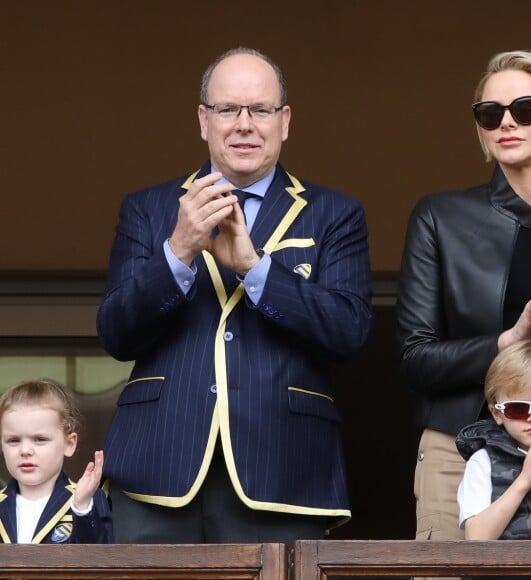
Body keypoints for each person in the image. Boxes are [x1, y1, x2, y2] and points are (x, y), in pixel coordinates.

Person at [97, 46, 373, 544]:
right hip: (159, 470)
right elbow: (116, 332)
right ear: (204, 120)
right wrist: (178, 251)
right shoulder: (149, 208)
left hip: (283, 469)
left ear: (284, 121)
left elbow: (349, 331)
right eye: (228, 109)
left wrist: (255, 268)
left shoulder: (336, 213)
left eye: (260, 110)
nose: (244, 124)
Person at [395, 48, 531, 550]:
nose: (506, 123)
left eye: (524, 109)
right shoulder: (440, 217)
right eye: (489, 113)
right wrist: (508, 341)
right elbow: (415, 359)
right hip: (457, 447)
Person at [457, 339, 531, 540]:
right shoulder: (483, 461)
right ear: (497, 413)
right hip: (504, 571)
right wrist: (522, 482)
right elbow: (476, 539)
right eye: (518, 408)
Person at [0, 380, 113, 544]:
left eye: (40, 439)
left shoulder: (88, 499)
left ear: (69, 444)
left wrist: (82, 509)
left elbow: (102, 556)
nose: (25, 451)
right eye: (13, 440)